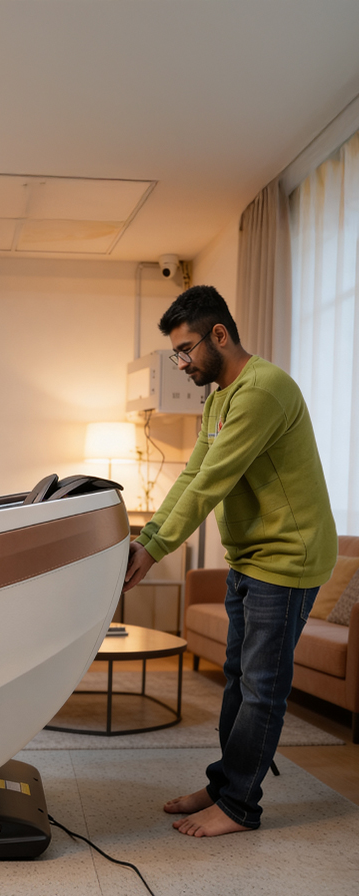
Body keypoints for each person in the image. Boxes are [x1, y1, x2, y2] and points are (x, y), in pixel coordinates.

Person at [124, 285, 337, 837]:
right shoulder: (219, 398)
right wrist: (148, 538)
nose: (182, 364)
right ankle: (225, 785)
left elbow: (212, 483)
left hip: (286, 558)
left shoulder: (263, 391)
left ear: (219, 334)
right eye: (177, 354)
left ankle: (240, 805)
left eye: (186, 350)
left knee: (262, 686)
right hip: (249, 556)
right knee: (239, 679)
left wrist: (154, 550)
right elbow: (193, 474)